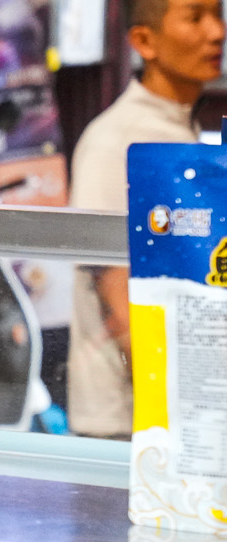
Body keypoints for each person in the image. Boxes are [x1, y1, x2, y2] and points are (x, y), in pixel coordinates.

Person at [67, 0, 224, 438]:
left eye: (218, 15)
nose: (216, 32)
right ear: (142, 41)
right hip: (128, 421)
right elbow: (117, 292)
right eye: (195, 18)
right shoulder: (116, 141)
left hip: (178, 412)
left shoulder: (180, 131)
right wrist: (181, 403)